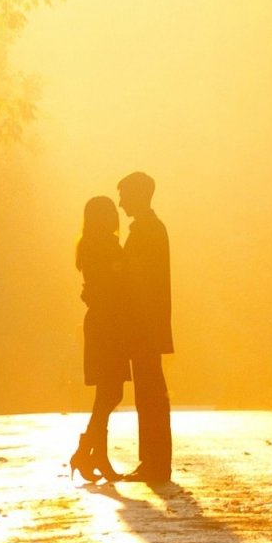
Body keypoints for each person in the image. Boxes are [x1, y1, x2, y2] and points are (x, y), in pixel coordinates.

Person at [69, 195, 129, 483]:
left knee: (108, 391)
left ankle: (90, 452)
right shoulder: (102, 245)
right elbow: (114, 283)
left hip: (104, 321)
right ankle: (89, 452)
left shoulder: (89, 244)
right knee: (110, 390)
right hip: (108, 323)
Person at [117, 171, 173, 484]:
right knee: (151, 393)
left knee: (150, 394)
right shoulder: (151, 229)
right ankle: (153, 461)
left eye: (125, 195)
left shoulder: (146, 231)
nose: (121, 202)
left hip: (143, 325)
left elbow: (133, 280)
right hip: (148, 325)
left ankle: (155, 463)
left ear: (139, 195)